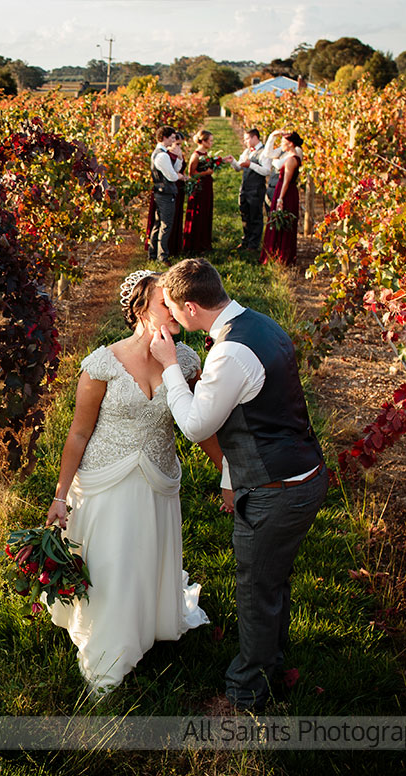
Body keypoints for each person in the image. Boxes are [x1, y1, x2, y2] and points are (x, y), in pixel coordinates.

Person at [149, 258, 328, 712]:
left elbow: (195, 424)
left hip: (276, 492)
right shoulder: (261, 324)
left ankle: (245, 693)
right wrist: (231, 478)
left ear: (190, 307)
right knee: (274, 582)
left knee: (254, 591)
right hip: (302, 475)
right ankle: (275, 662)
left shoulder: (229, 353)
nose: (170, 315)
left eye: (172, 307)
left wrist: (171, 365)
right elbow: (254, 418)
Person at [45, 270, 216, 695]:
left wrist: (228, 473)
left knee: (146, 555)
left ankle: (150, 618)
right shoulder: (103, 364)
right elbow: (78, 434)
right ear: (141, 308)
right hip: (106, 481)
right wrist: (60, 496)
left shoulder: (186, 361)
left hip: (158, 477)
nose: (175, 307)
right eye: (165, 302)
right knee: (115, 563)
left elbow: (202, 424)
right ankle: (111, 649)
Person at [182, 130, 232, 253]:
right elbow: (191, 174)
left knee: (206, 212)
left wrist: (224, 160)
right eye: (210, 140)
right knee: (198, 212)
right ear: (203, 141)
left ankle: (204, 242)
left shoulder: (206, 154)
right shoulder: (196, 155)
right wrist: (206, 173)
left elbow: (213, 163)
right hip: (199, 187)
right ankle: (195, 244)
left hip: (207, 186)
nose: (212, 143)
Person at [260, 131, 304, 267]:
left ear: (290, 144)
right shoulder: (290, 157)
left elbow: (286, 181)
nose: (281, 145)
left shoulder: (291, 159)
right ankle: (277, 254)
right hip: (284, 190)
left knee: (282, 222)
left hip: (285, 192)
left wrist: (280, 199)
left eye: (283, 142)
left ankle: (281, 256)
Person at [230, 128, 274, 252]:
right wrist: (232, 161)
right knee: (245, 214)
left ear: (255, 137)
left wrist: (251, 165)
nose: (245, 142)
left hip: (256, 188)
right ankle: (246, 240)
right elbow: (239, 167)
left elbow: (266, 171)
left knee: (255, 216)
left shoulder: (264, 152)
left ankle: (253, 245)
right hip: (245, 187)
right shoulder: (247, 151)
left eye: (247, 139)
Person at [149, 127, 186, 262]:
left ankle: (153, 254)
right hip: (165, 193)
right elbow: (171, 176)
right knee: (166, 225)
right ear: (164, 137)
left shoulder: (162, 153)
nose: (173, 140)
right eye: (171, 137)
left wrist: (180, 158)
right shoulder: (162, 155)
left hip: (162, 192)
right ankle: (162, 256)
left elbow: (174, 169)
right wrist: (180, 177)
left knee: (159, 224)